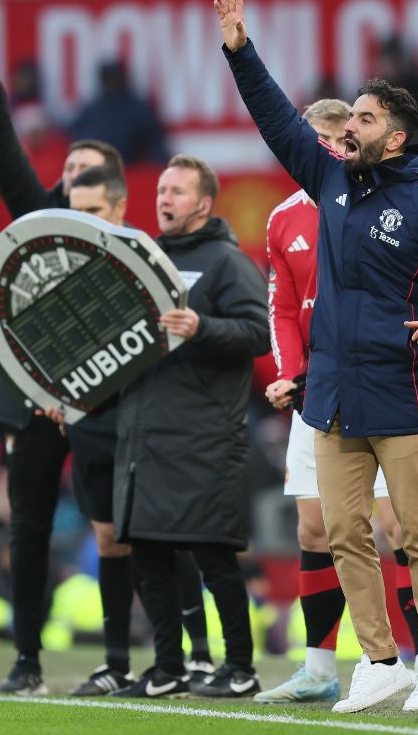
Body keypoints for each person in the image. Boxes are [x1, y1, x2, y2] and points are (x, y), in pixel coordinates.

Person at [217, 0, 418, 713]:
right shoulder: (330, 177)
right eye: (348, 115)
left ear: (395, 137)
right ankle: (379, 659)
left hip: (400, 390)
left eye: (364, 118)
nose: (348, 126)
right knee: (343, 530)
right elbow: (278, 120)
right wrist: (241, 51)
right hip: (331, 393)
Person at [0, 26, 135, 697]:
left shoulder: (128, 252)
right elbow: (7, 159)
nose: (73, 182)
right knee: (28, 529)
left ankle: (130, 659)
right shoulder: (40, 220)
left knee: (124, 528)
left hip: (102, 404)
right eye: (68, 173)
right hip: (31, 403)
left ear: (111, 192)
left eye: (87, 175)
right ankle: (26, 659)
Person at [256, 98, 418, 704]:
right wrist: (289, 374)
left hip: (376, 384)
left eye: (330, 140)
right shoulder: (282, 219)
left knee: (397, 522)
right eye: (313, 141)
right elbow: (282, 307)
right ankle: (320, 666)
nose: (321, 152)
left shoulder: (376, 205)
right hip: (314, 391)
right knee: (314, 526)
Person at [110, 154, 270, 700]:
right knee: (149, 556)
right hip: (147, 436)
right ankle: (167, 667)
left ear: (204, 204)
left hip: (204, 435)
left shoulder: (228, 262)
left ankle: (241, 667)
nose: (164, 198)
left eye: (177, 191)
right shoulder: (143, 259)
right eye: (160, 189)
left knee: (214, 558)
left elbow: (258, 333)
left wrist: (202, 326)